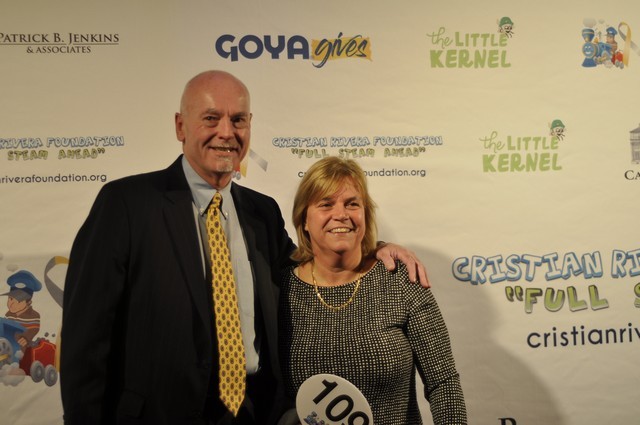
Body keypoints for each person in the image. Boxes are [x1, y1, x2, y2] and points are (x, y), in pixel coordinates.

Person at [60, 70, 428, 425]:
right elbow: (86, 340)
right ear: (180, 126)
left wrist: (375, 248)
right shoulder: (126, 205)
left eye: (238, 120)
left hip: (254, 413)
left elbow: (310, 265)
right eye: (211, 118)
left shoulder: (261, 212)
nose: (226, 132)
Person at [280, 157, 467, 424]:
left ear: (365, 215)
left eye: (352, 204)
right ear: (304, 220)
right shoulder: (280, 289)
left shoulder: (400, 279)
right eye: (326, 204)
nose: (341, 214)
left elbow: (443, 383)